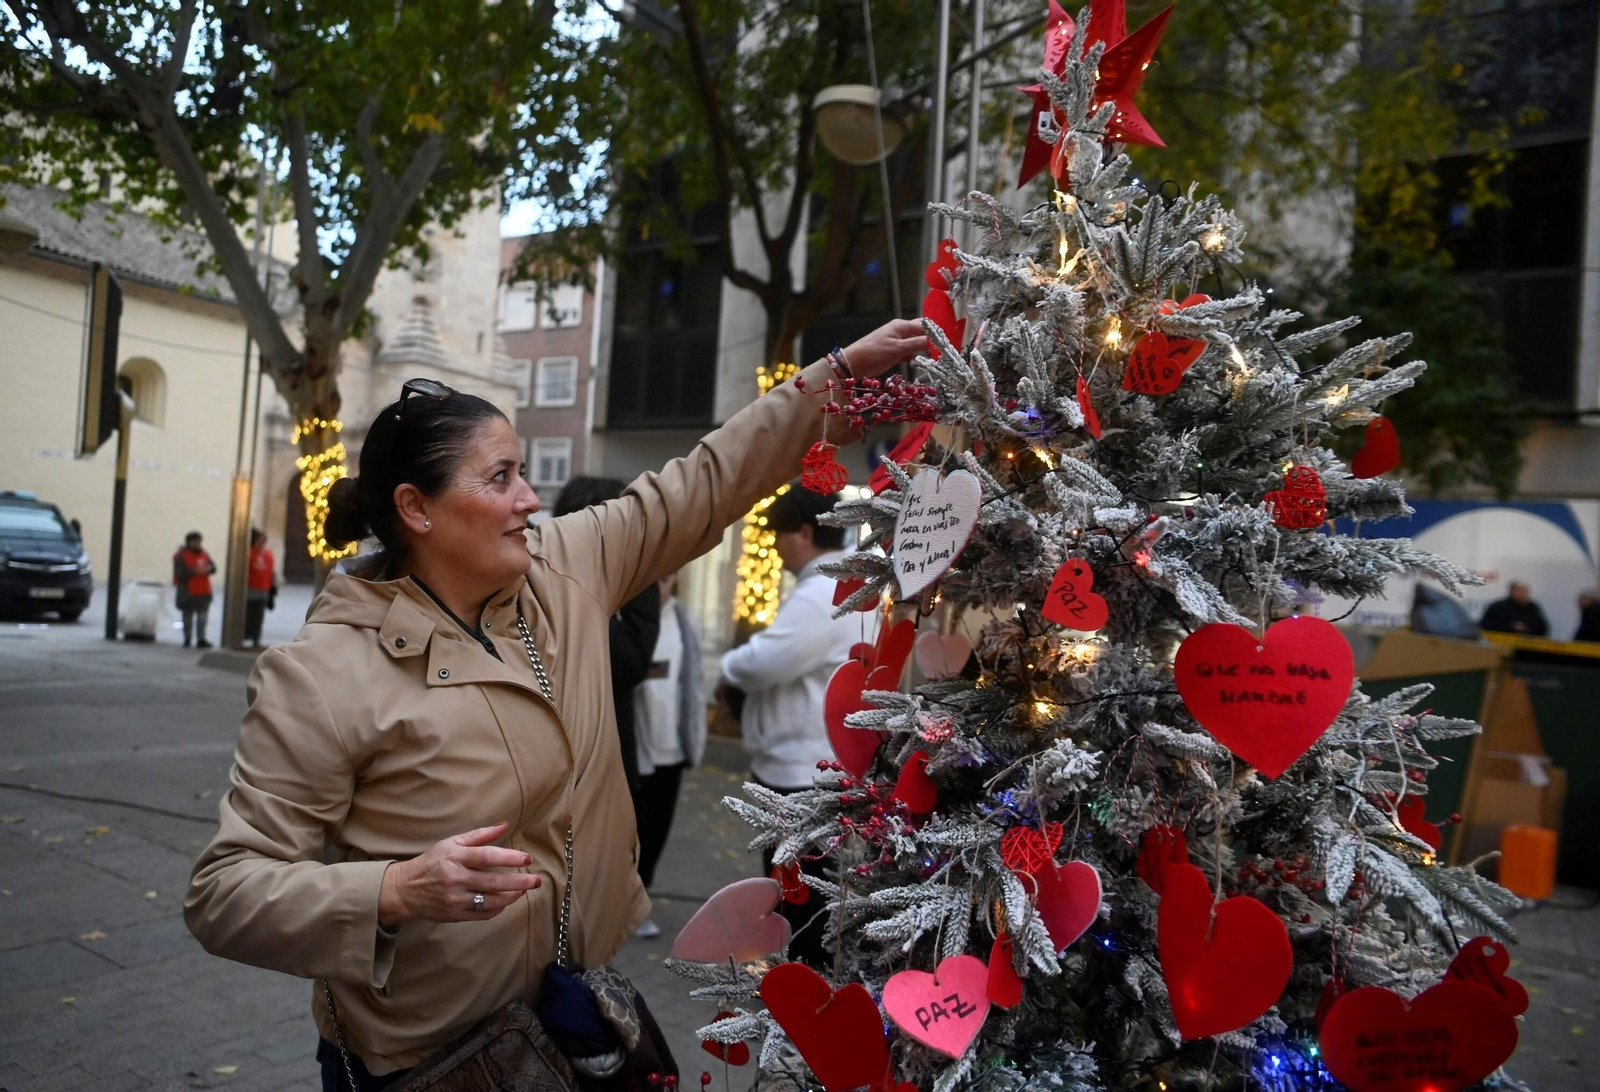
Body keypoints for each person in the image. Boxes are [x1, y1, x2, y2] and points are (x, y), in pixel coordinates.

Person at [183, 319, 925, 1087]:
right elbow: (225, 894)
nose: (529, 500)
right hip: (424, 1063)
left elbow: (705, 480)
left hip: (572, 1023)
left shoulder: (559, 569)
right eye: (499, 478)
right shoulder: (319, 674)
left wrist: (826, 381)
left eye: (525, 474)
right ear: (416, 508)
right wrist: (395, 890)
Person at [718, 485, 877, 966]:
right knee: (807, 891)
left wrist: (727, 667)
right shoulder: (844, 581)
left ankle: (801, 991)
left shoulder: (822, 588)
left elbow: (767, 661)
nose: (777, 549)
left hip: (799, 770)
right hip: (817, 762)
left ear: (805, 533)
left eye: (780, 536)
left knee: (798, 897)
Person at [629, 571, 707, 938]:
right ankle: (619, 904)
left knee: (656, 831)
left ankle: (641, 899)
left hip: (670, 749)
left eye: (666, 579)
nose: (659, 587)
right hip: (634, 749)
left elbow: (691, 684)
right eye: (654, 579)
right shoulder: (626, 619)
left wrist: (693, 737)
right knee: (630, 832)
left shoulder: (683, 620)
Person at [172, 531, 215, 649]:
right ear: (189, 542)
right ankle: (187, 639)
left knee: (202, 618)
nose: (197, 544)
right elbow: (179, 574)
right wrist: (194, 571)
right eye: (195, 541)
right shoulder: (181, 556)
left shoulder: (204, 554)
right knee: (187, 618)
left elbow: (213, 567)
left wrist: (209, 569)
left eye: (199, 541)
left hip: (203, 591)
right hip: (188, 592)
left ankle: (201, 639)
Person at [244, 529, 278, 649]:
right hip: (250, 589)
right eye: (259, 541)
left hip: (263, 589)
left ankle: (256, 638)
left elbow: (271, 572)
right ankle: (246, 635)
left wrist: (272, 588)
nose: (261, 543)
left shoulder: (267, 554)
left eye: (263, 541)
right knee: (248, 614)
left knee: (258, 616)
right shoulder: (248, 553)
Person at [1479, 581, 1550, 637]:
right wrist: (1511, 627)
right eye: (1520, 591)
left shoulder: (1532, 608)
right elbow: (1487, 625)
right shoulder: (1498, 607)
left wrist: (1526, 630)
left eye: (1525, 592)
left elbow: (1542, 628)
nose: (1523, 594)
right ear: (1512, 591)